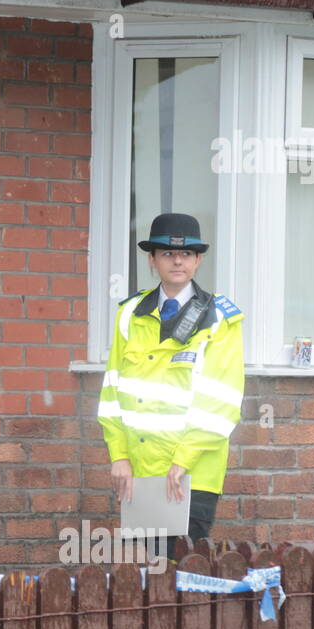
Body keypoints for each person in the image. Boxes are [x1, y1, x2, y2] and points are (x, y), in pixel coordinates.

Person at [97, 213, 245, 559]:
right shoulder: (130, 313)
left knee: (180, 575)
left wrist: (183, 460)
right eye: (166, 254)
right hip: (140, 469)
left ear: (198, 260)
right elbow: (112, 393)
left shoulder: (220, 319)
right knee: (146, 576)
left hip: (191, 473)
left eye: (186, 254)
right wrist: (118, 455)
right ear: (152, 260)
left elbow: (221, 401)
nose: (177, 261)